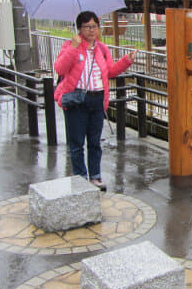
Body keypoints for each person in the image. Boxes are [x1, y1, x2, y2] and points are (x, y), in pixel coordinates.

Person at [54, 11, 136, 191]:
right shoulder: (70, 45)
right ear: (79, 29)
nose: (92, 30)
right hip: (77, 99)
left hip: (97, 99)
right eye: (87, 26)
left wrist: (126, 61)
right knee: (76, 143)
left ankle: (95, 177)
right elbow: (60, 68)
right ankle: (80, 177)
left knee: (94, 142)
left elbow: (110, 72)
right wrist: (73, 48)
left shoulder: (102, 49)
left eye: (95, 26)